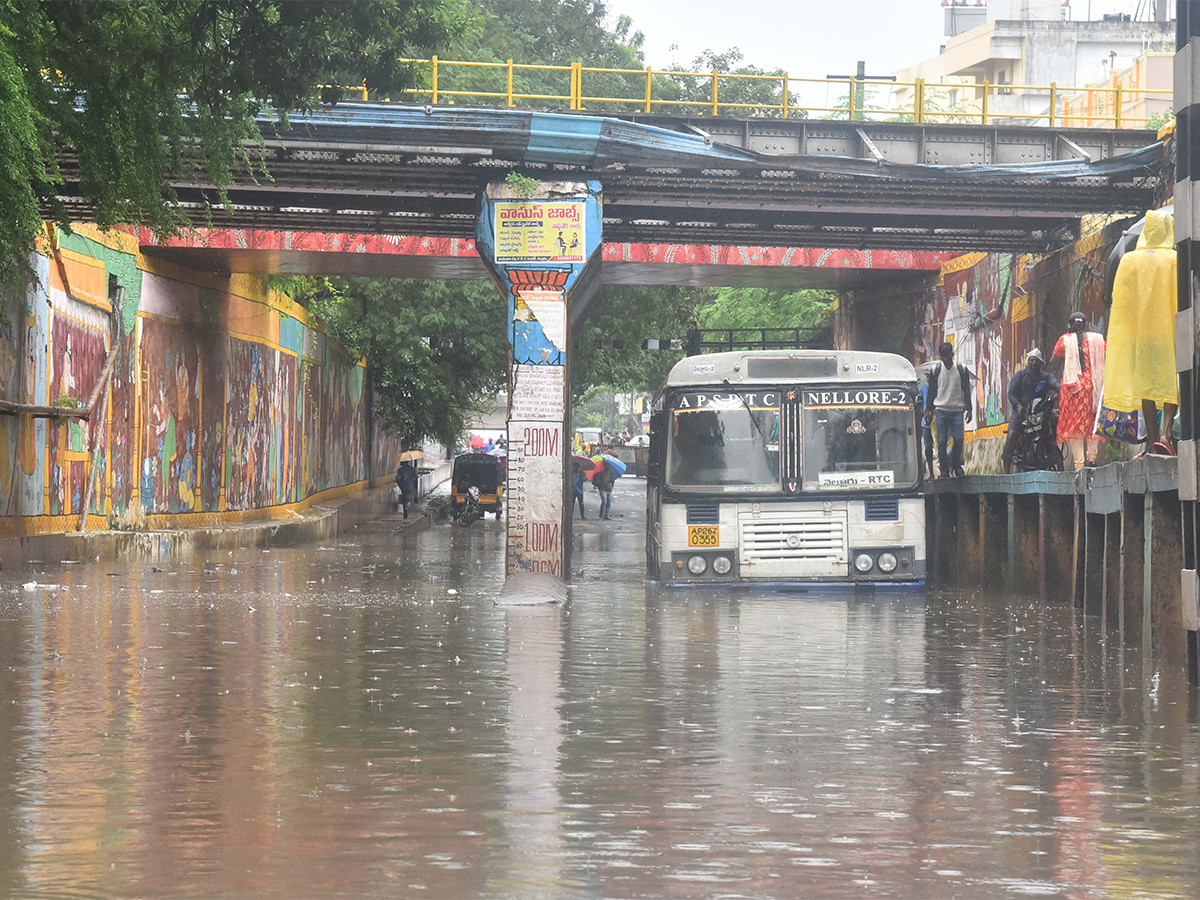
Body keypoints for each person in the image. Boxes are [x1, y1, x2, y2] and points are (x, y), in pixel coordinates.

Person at [1106, 208, 1178, 454]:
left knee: (1146, 387)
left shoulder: (1129, 260)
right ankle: (1166, 434)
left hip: (1141, 336)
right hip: (1167, 332)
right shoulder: (1173, 259)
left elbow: (1121, 301)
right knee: (1170, 383)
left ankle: (1150, 442)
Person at [1050, 312, 1106, 470]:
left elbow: (1053, 364)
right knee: (1093, 421)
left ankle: (1079, 465)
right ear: (1087, 325)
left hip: (1074, 388)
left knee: (1075, 426)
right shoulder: (1098, 340)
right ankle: (1092, 457)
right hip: (1094, 386)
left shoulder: (1064, 340)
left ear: (1069, 326)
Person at [1002, 349, 1060, 473]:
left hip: (1041, 413)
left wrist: (1063, 392)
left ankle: (1051, 452)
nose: (1032, 363)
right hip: (1022, 414)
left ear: (1041, 363)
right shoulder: (1020, 376)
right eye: (1030, 360)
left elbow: (1056, 385)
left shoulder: (1046, 377)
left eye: (1035, 361)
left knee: (1056, 425)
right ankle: (1006, 467)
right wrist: (1018, 406)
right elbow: (1011, 393)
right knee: (1012, 435)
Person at [925, 341, 973, 477]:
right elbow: (932, 391)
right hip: (941, 410)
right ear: (940, 357)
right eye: (943, 357)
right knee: (941, 441)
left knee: (958, 439)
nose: (945, 359)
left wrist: (969, 409)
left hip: (957, 410)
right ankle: (944, 470)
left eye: (948, 356)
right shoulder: (936, 370)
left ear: (952, 355)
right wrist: (928, 409)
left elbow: (966, 390)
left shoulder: (961, 369)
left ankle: (957, 465)